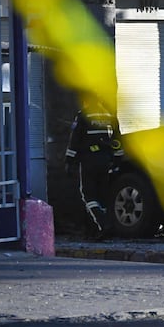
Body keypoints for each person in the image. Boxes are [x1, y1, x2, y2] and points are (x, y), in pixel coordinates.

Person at [65, 94, 124, 238]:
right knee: (102, 195)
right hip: (106, 160)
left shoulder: (83, 115)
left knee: (88, 194)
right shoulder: (110, 115)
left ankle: (103, 224)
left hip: (89, 160)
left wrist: (69, 160)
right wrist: (117, 159)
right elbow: (117, 140)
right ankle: (100, 228)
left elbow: (75, 139)